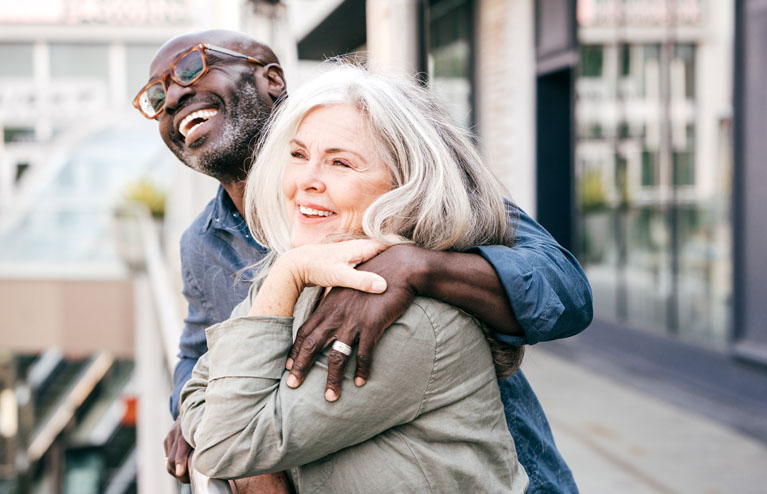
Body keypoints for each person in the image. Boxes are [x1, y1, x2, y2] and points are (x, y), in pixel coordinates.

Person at [135, 29, 592, 493]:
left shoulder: (427, 198)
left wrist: (416, 267)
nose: (172, 97)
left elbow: (566, 292)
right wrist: (202, 427)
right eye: (156, 96)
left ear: (272, 80)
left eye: (191, 67)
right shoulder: (205, 241)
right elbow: (201, 359)